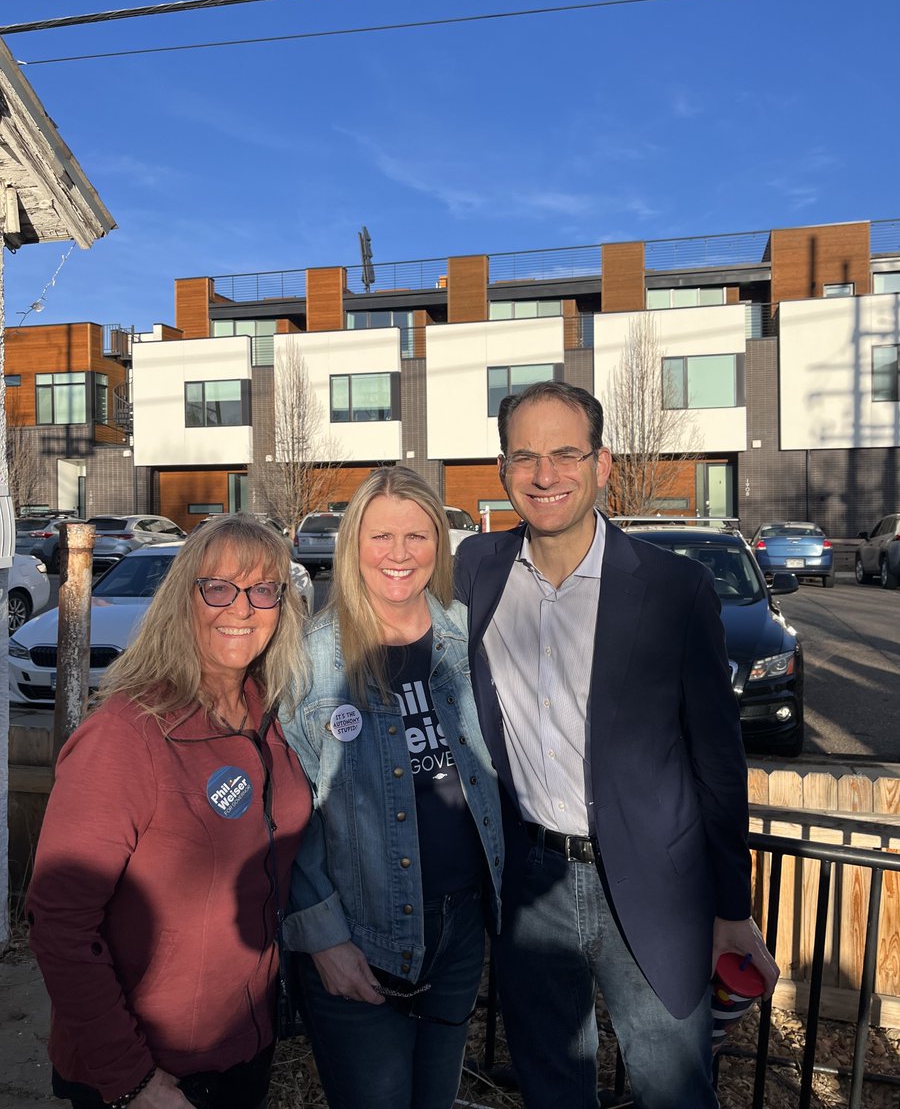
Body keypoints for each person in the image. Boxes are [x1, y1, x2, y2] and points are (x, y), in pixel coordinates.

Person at [453, 381, 779, 1109]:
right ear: (503, 470)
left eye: (566, 454)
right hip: (529, 883)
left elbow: (717, 762)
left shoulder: (675, 588)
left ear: (603, 465)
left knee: (673, 1089)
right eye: (525, 456)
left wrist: (732, 905)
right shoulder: (477, 570)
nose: (545, 475)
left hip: (653, 889)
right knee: (552, 1087)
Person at [27, 513, 312, 1109]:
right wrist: (132, 1080)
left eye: (263, 590)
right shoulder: (128, 736)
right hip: (149, 1072)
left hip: (244, 1049)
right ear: (183, 600)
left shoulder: (270, 717)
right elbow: (59, 925)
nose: (243, 609)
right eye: (219, 587)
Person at [281, 466, 503, 1109]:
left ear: (440, 543)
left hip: (460, 929)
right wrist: (323, 938)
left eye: (417, 535)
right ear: (353, 545)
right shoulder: (314, 656)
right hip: (361, 931)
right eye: (381, 536)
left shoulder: (468, 638)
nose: (399, 554)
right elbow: (288, 812)